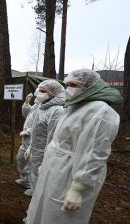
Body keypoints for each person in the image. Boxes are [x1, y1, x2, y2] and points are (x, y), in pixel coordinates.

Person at [25, 69, 122, 224]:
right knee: (43, 205)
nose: (68, 88)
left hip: (71, 173)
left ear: (89, 86)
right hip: (55, 167)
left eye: (73, 85)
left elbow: (95, 153)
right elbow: (56, 140)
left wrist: (78, 187)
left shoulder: (100, 111)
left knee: (60, 215)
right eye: (67, 84)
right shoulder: (73, 106)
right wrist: (45, 164)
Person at [24, 79, 65, 197]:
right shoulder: (42, 106)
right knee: (33, 174)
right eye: (38, 89)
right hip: (36, 149)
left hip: (44, 153)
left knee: (41, 180)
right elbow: (37, 129)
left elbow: (54, 139)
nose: (37, 93)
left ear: (53, 93)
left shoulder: (57, 111)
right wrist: (31, 146)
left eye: (42, 91)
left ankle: (35, 209)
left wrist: (48, 159)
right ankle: (34, 195)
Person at [15, 90, 39, 189]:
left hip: (34, 140)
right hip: (25, 140)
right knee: (20, 159)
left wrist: (28, 131)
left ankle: (30, 184)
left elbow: (41, 125)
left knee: (30, 163)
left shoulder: (48, 109)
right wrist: (26, 103)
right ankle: (24, 179)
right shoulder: (36, 106)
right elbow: (26, 114)